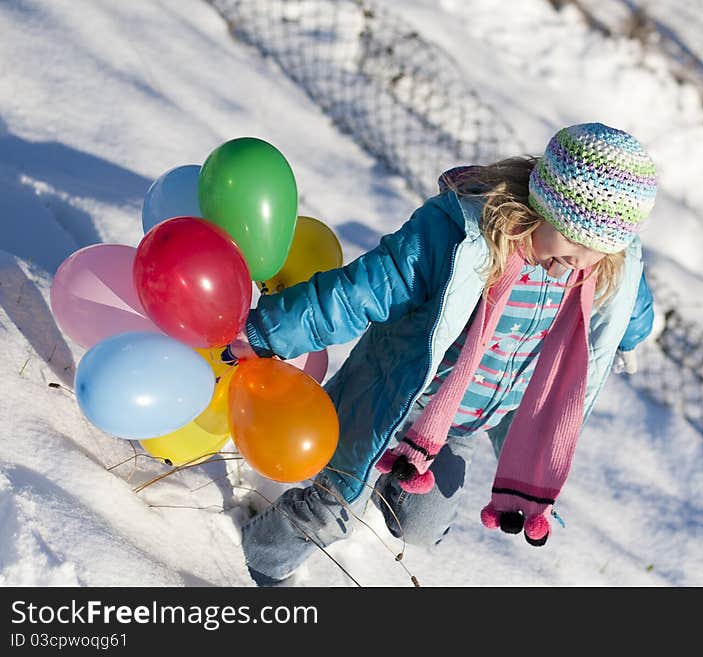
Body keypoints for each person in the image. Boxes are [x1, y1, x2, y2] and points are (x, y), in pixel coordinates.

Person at [233, 122, 658, 585]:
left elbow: (628, 302)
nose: (581, 259)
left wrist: (632, 337)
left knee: (422, 527)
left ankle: (399, 481)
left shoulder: (605, 265)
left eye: (599, 250)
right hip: (392, 394)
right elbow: (361, 291)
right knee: (333, 505)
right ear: (544, 205)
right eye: (573, 239)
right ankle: (258, 562)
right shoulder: (457, 236)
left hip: (461, 423)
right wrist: (267, 332)